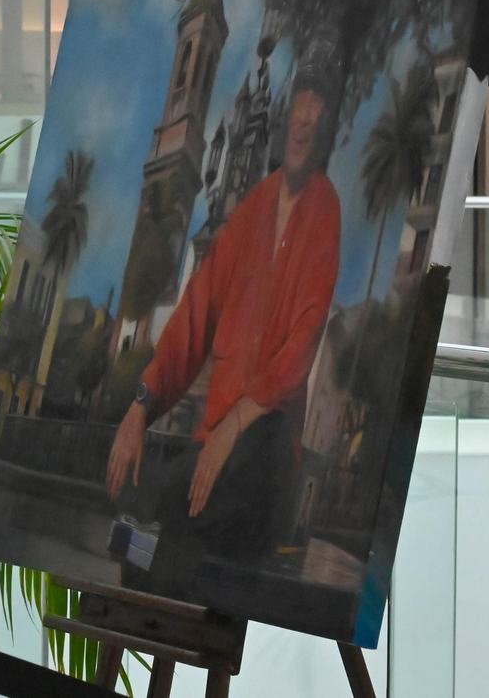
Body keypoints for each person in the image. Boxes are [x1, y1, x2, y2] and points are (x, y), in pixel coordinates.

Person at [104, 45, 342, 579]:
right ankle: (183, 572)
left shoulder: (324, 208)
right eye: (299, 104)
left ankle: (187, 571)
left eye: (316, 109)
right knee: (131, 525)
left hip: (263, 449)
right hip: (216, 448)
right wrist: (142, 404)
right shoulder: (253, 208)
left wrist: (235, 424)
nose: (303, 120)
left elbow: (302, 343)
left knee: (159, 534)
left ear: (324, 125)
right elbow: (193, 315)